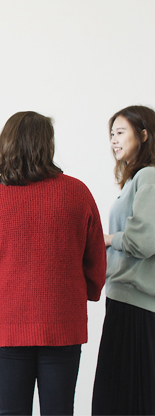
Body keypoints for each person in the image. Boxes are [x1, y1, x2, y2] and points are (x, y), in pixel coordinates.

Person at [0, 111, 106, 416]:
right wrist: (91, 291)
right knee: (59, 411)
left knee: (12, 411)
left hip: (9, 321)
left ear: (5, 144)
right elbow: (96, 255)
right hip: (63, 318)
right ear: (47, 145)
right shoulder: (77, 193)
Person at [92, 105, 155, 415]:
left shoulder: (149, 176)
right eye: (111, 135)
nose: (114, 141)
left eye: (120, 133)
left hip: (138, 306)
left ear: (144, 135)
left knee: (128, 400)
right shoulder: (134, 180)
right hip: (124, 299)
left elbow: (143, 242)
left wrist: (104, 239)